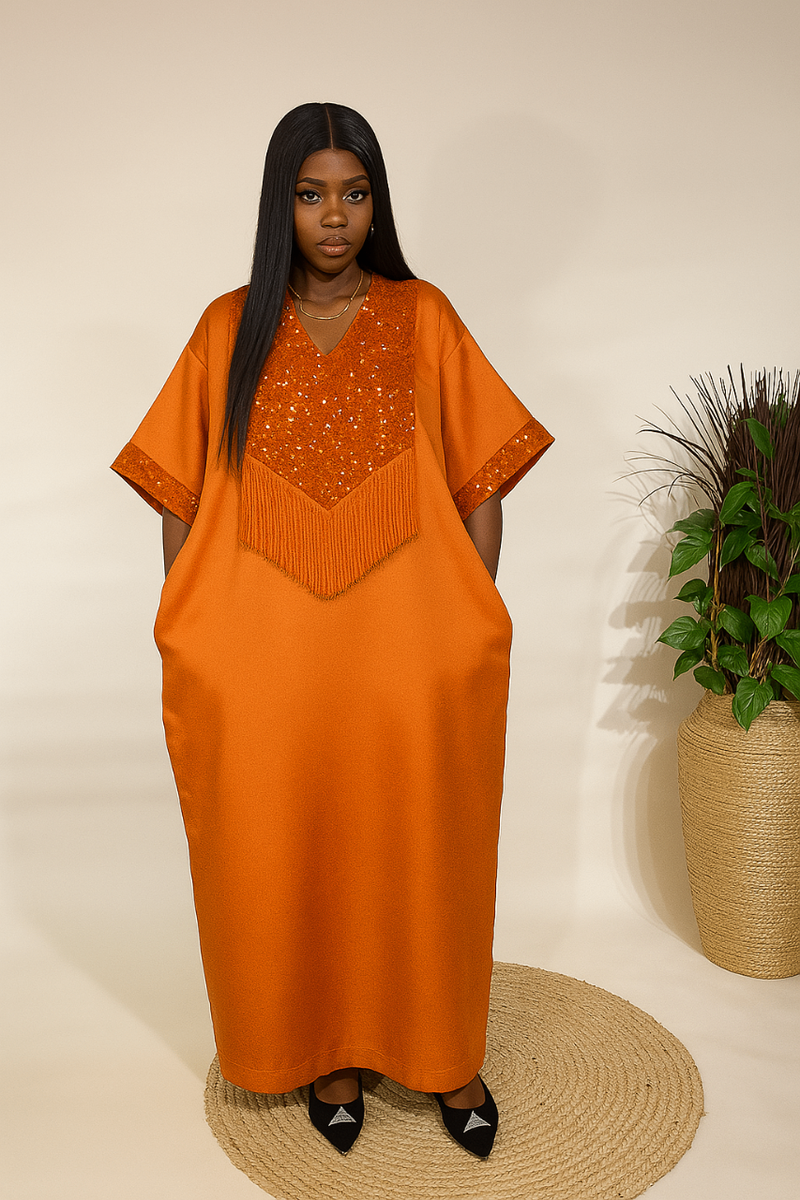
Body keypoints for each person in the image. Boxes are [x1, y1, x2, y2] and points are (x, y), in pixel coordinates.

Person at [112, 102, 553, 1161]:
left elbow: (481, 477)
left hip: (408, 652)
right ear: (282, 204)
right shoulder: (229, 327)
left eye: (354, 193)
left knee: (424, 841)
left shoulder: (423, 315)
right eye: (311, 195)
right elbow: (179, 488)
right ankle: (325, 1053)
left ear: (376, 203)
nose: (335, 216)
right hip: (267, 658)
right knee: (288, 842)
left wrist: (468, 610)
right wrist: (192, 615)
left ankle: (444, 1055)